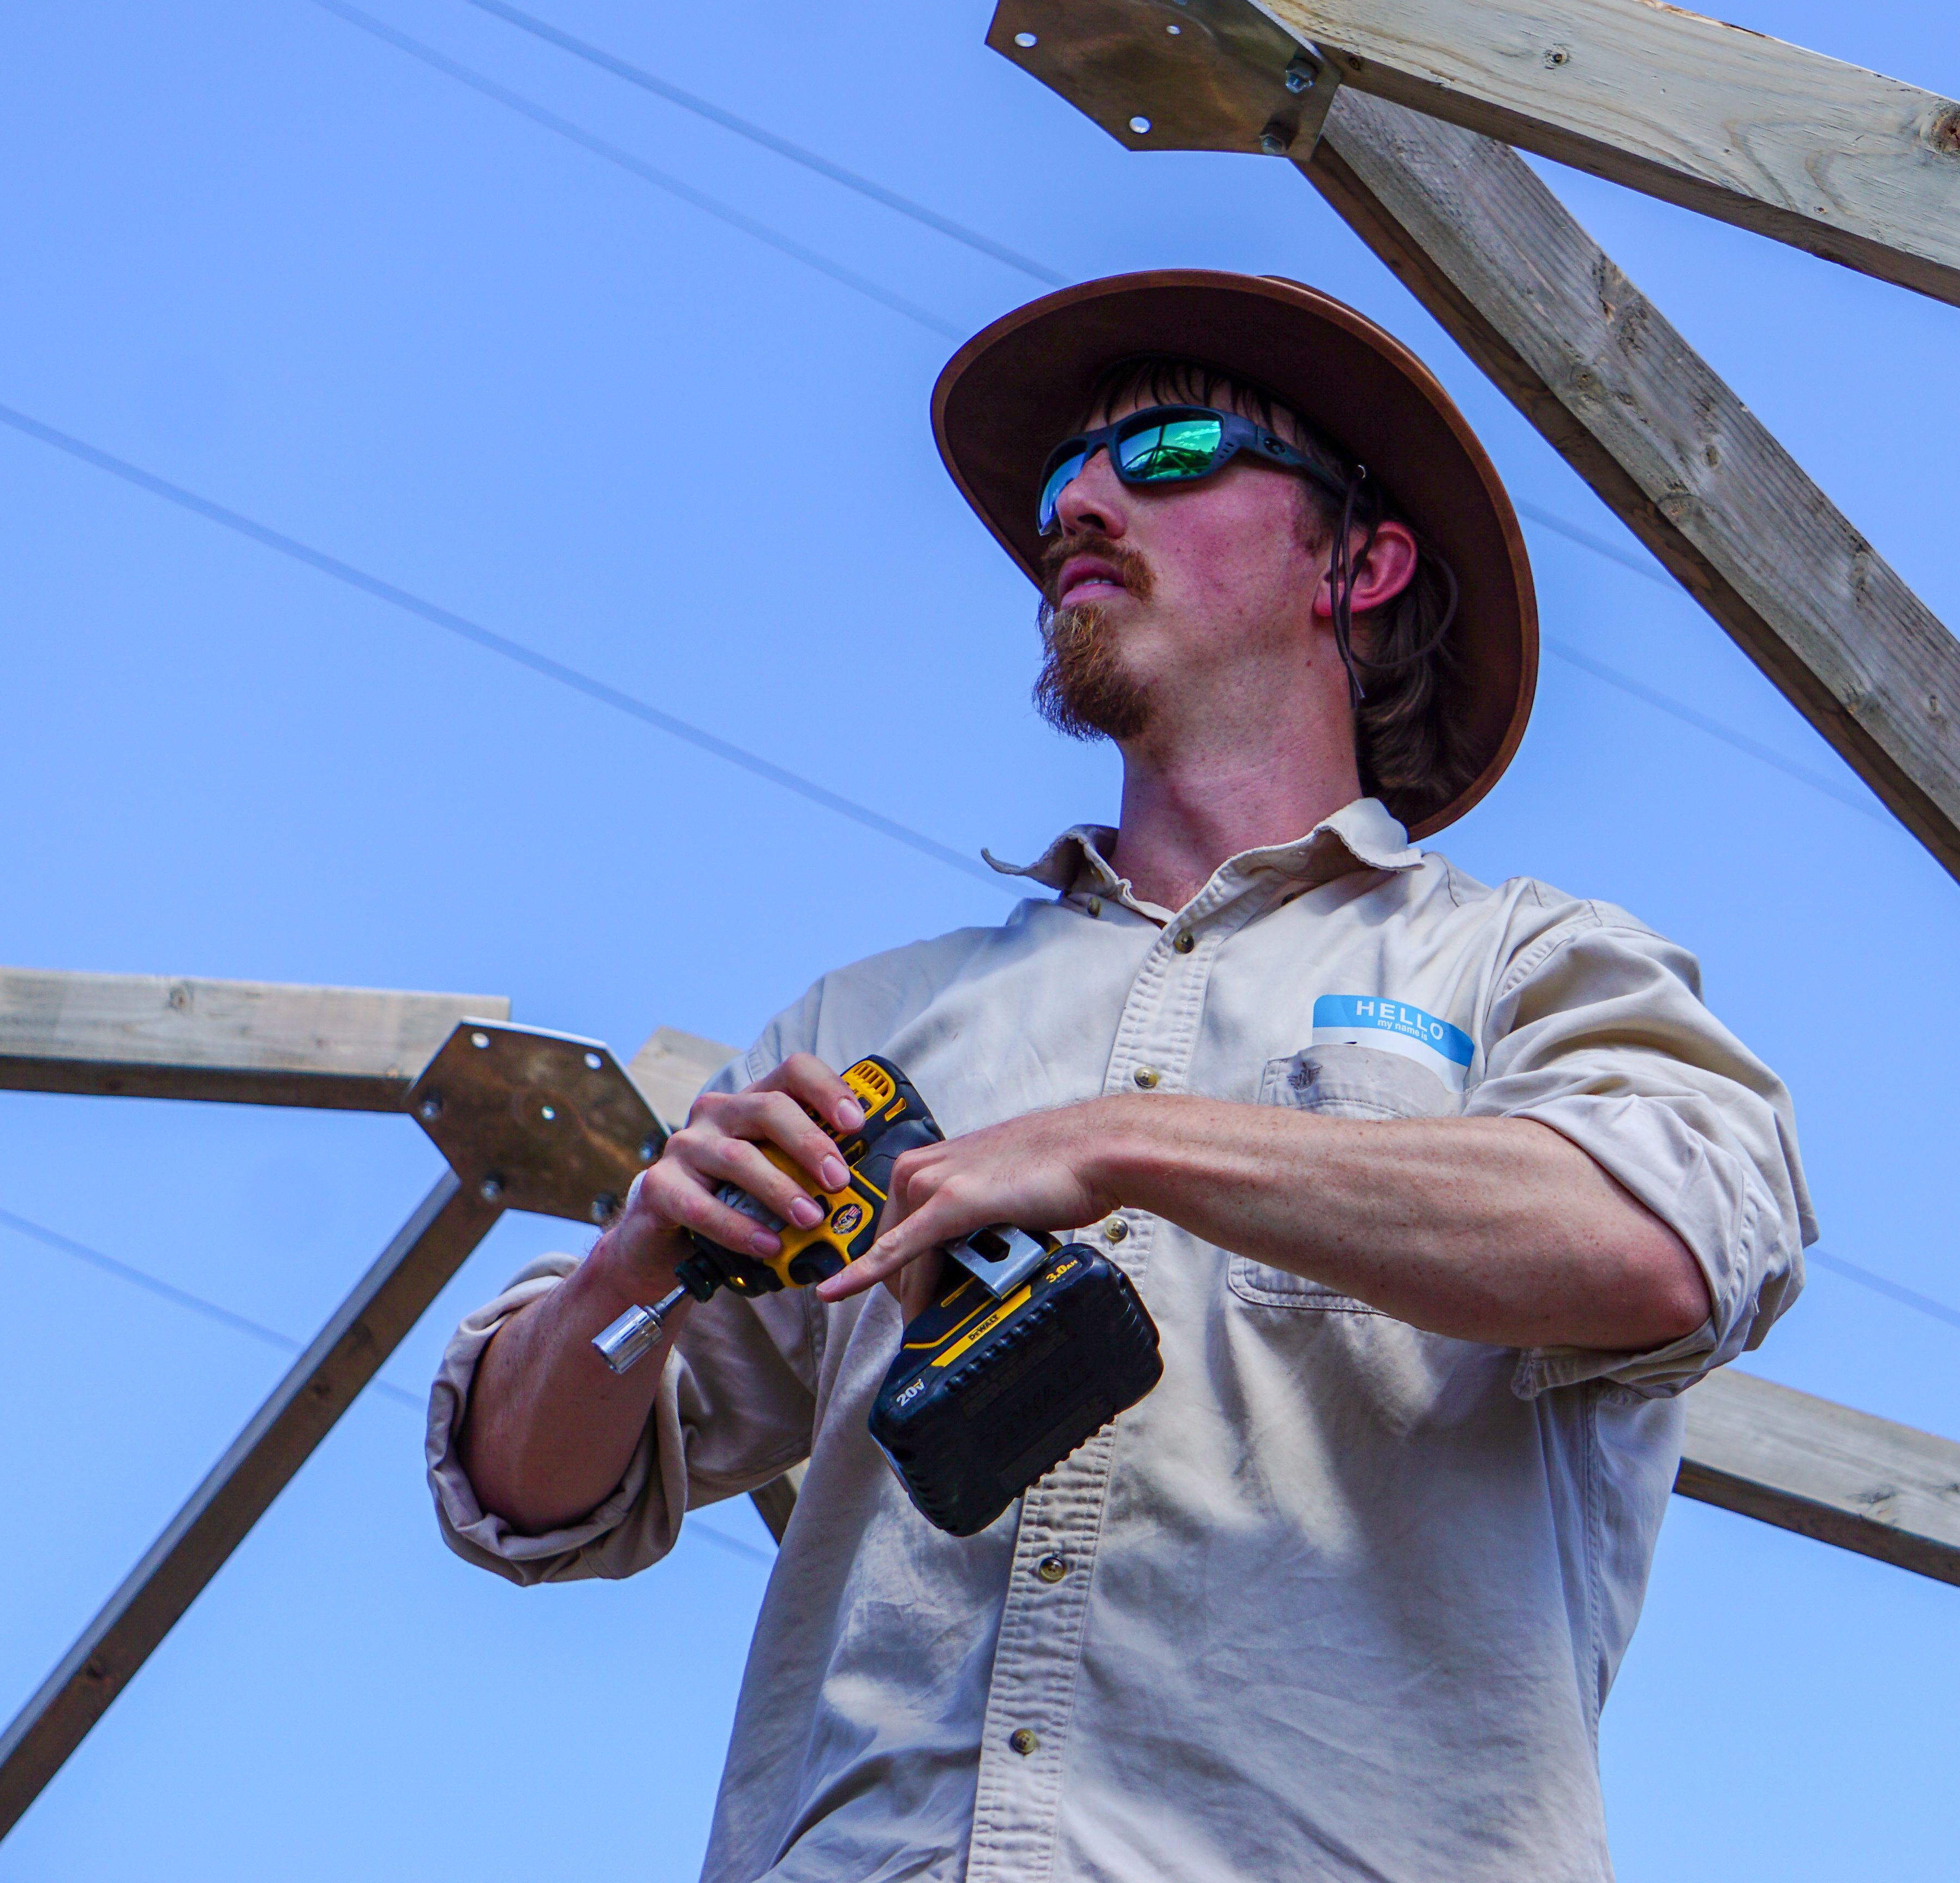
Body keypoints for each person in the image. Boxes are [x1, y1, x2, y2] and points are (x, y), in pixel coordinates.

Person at [428, 271, 1814, 1882]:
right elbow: (532, 1494)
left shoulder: (1515, 968)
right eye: (1055, 483)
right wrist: (635, 1268)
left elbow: (1660, 1245)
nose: (1079, 502)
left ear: (1358, 561)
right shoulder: (870, 1019)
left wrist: (1133, 1144)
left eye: (1165, 455)